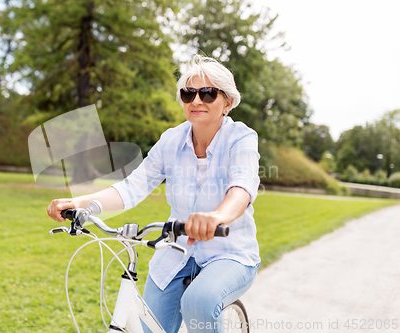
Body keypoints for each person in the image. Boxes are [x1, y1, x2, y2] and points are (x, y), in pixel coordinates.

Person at [47, 55, 261, 333]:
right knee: (146, 327)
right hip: (176, 252)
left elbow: (241, 187)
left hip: (230, 254)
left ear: (227, 102)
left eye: (208, 94)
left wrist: (216, 217)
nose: (196, 101)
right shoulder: (170, 140)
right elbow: (132, 187)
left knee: (199, 301)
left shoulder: (241, 138)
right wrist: (78, 203)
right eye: (188, 93)